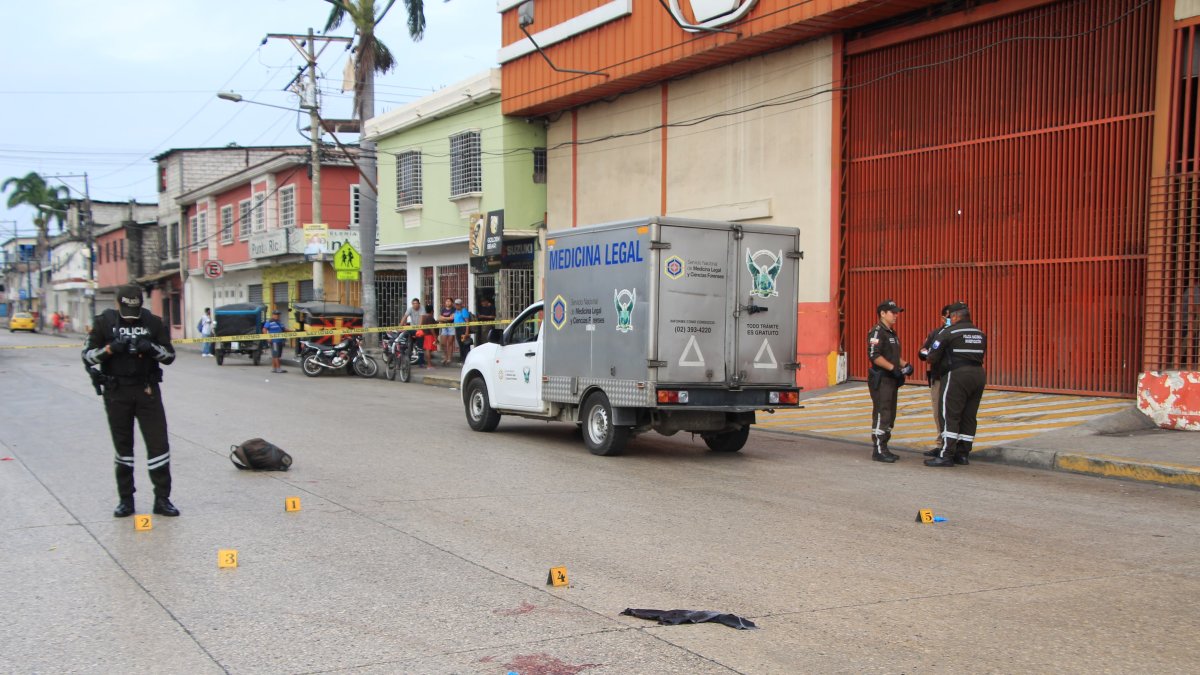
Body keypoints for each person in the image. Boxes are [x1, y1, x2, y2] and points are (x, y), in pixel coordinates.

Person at [82, 284, 179, 518]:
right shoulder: (104, 322)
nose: (131, 317)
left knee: (159, 446)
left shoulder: (153, 322)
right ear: (118, 304)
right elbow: (87, 356)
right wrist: (110, 349)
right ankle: (126, 500)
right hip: (117, 392)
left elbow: (169, 356)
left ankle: (162, 499)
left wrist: (150, 348)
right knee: (123, 448)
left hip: (147, 390)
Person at [924, 302, 988, 467]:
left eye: (949, 317)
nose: (949, 320)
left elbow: (931, 356)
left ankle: (946, 454)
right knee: (968, 415)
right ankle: (963, 454)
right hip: (978, 376)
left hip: (956, 375)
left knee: (949, 414)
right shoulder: (980, 334)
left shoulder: (949, 332)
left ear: (955, 316)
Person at [867, 299, 912, 463]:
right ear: (882, 314)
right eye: (893, 312)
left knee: (890, 414)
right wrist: (892, 368)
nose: (896, 315)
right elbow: (874, 355)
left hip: (892, 379)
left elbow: (893, 356)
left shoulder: (891, 333)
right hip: (882, 378)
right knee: (882, 412)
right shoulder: (877, 331)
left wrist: (905, 364)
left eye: (897, 312)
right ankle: (878, 450)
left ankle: (885, 447)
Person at [918, 304, 954, 456]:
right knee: (938, 412)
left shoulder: (960, 333)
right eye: (949, 317)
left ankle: (954, 445)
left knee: (954, 412)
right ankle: (941, 444)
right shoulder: (936, 333)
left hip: (956, 380)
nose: (952, 319)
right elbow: (922, 351)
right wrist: (931, 355)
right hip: (939, 378)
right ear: (942, 318)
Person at [453, 298, 472, 363]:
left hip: (463, 329)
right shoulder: (456, 311)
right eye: (456, 304)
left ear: (461, 304)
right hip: (457, 329)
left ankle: (466, 359)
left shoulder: (463, 311)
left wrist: (467, 332)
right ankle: (462, 359)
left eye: (458, 304)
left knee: (465, 344)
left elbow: (467, 322)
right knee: (460, 344)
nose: (457, 306)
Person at [438, 297, 456, 366]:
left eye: (449, 301)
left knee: (450, 343)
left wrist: (444, 318)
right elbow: (440, 318)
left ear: (452, 302)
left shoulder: (454, 309)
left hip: (451, 326)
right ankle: (445, 356)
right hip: (444, 327)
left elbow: (452, 318)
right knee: (443, 343)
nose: (448, 302)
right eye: (446, 301)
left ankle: (449, 358)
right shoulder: (443, 309)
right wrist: (447, 318)